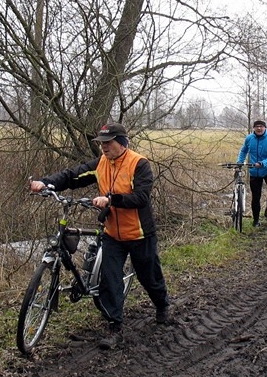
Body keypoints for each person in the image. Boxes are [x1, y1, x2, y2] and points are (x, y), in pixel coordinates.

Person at [29, 122, 170, 350]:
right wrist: (46, 182)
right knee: (109, 279)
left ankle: (162, 305)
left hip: (139, 234)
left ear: (122, 143)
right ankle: (115, 327)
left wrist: (112, 199)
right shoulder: (101, 163)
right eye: (101, 143)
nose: (103, 147)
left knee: (149, 277)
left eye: (108, 142)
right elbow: (72, 176)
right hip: (113, 234)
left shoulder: (139, 164)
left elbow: (142, 197)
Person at [237, 119, 267, 227]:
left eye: (261, 126)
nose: (259, 128)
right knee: (256, 197)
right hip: (254, 171)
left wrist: (263, 163)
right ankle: (256, 220)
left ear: (265, 128)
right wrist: (240, 161)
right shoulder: (249, 139)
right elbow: (243, 151)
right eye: (257, 126)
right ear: (254, 128)